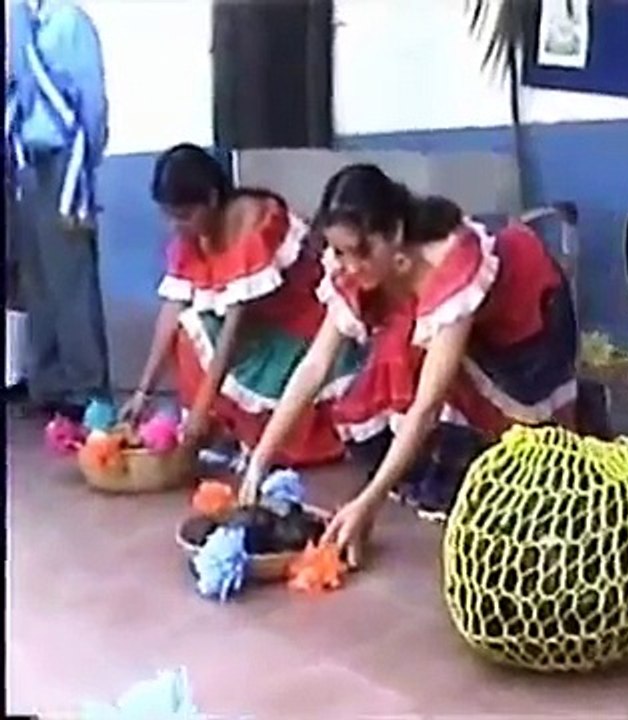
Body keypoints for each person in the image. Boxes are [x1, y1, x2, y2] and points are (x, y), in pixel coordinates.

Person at [239, 164, 578, 566]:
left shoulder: (453, 265)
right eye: (339, 252)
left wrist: (369, 501)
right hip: (466, 324)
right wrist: (261, 457)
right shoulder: (355, 268)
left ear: (395, 233)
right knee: (406, 363)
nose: (348, 265)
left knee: (539, 454)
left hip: (527, 315)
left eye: (361, 251)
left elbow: (426, 406)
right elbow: (315, 366)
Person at [119, 144, 362, 467]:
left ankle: (248, 434)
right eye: (171, 217)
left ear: (212, 198)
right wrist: (143, 393)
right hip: (258, 335)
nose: (177, 226)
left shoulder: (255, 223)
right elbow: (172, 310)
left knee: (202, 330)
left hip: (300, 332)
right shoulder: (192, 236)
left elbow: (235, 331)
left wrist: (203, 406)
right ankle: (221, 432)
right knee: (187, 328)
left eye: (185, 216)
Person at [5, 0, 111, 420]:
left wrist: (85, 166)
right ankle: (47, 382)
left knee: (71, 277)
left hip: (63, 159)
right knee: (35, 279)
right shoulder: (16, 17)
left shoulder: (68, 21)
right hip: (22, 159)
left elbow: (90, 96)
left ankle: (86, 388)